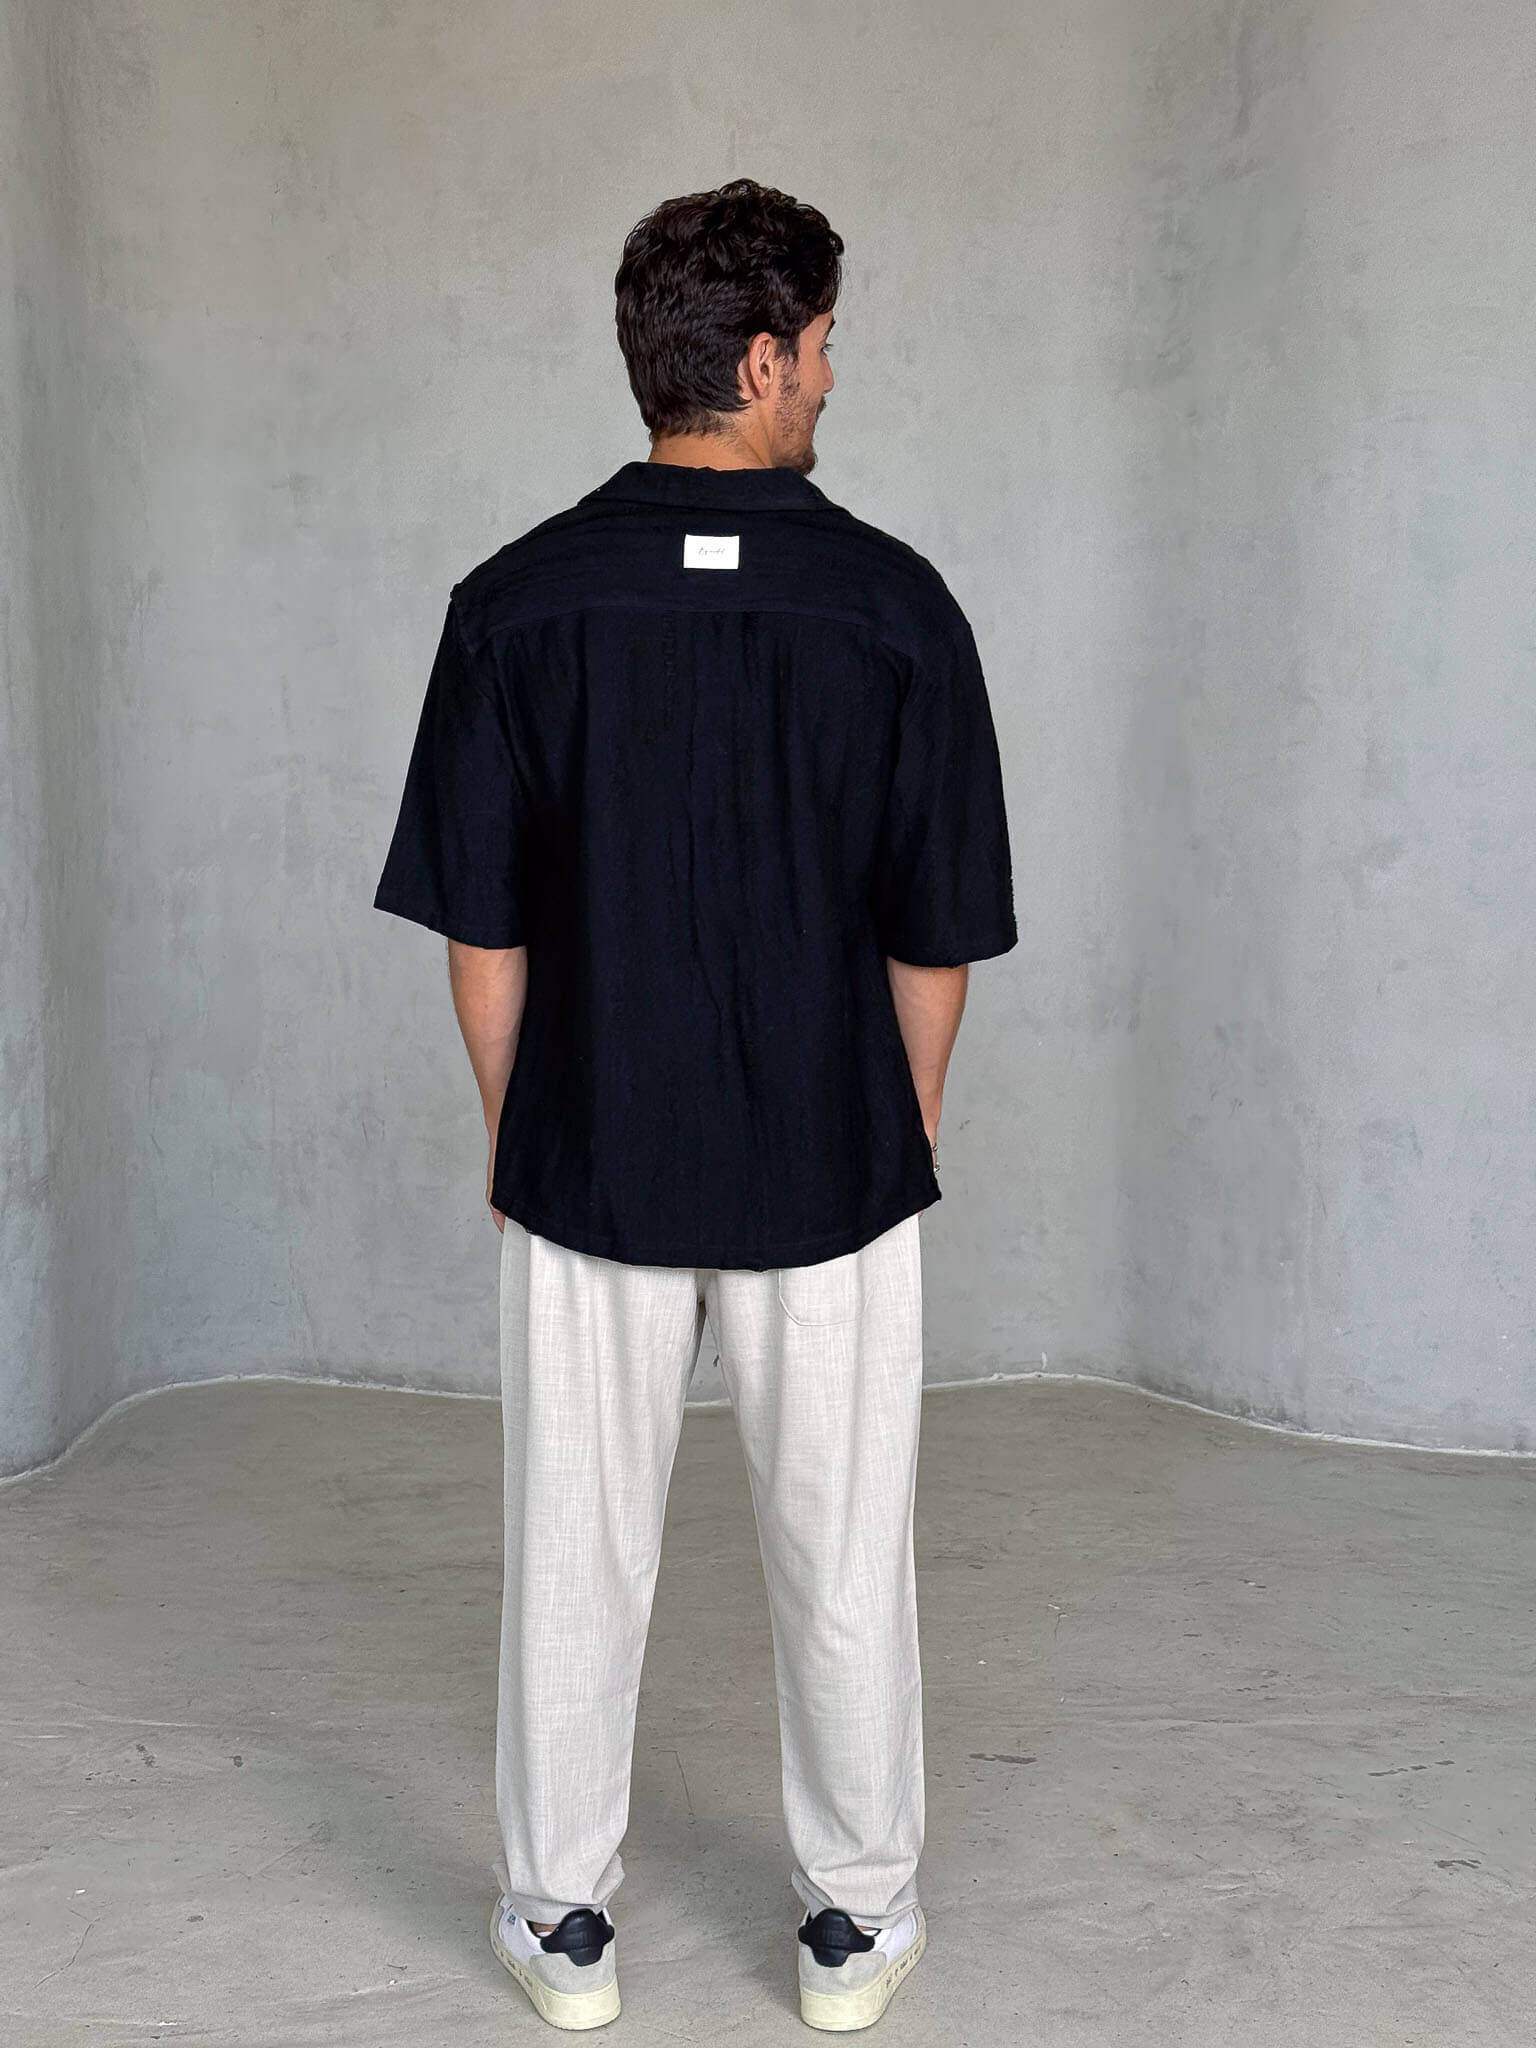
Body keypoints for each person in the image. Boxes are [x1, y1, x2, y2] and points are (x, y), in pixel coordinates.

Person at [372, 177, 1017, 2033]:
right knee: (846, 1553)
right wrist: (899, 1126)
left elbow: (482, 932)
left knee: (572, 1554)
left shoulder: (515, 604)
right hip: (834, 1162)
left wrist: (519, 1132)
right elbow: (934, 938)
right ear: (758, 360)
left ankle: (561, 1923)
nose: (831, 374)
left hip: (590, 1154)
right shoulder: (895, 607)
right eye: (821, 345)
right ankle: (855, 1925)